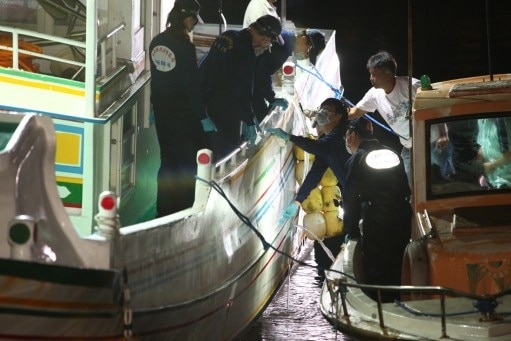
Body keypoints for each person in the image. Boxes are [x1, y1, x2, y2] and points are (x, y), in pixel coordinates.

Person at [149, 0, 217, 217]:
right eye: (194, 19)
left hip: (162, 112)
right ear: (187, 17)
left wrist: (153, 106)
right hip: (182, 115)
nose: (194, 24)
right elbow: (192, 87)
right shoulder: (185, 47)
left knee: (167, 160)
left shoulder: (156, 41)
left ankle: (163, 210)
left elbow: (157, 79)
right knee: (187, 163)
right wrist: (203, 116)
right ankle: (184, 210)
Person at [343, 116, 412, 303]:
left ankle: (383, 304)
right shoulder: (391, 152)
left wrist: (352, 230)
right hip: (403, 214)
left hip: (378, 219)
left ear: (354, 135)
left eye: (347, 135)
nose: (346, 140)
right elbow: (405, 187)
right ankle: (403, 300)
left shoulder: (357, 158)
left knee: (378, 265)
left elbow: (350, 198)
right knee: (400, 260)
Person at [199, 14, 283, 161]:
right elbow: (242, 91)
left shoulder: (227, 35)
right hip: (224, 114)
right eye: (269, 43)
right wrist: (249, 120)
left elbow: (204, 67)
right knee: (223, 159)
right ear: (265, 39)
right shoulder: (245, 52)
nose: (267, 47)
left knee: (203, 157)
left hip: (204, 106)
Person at [266, 97, 351, 221]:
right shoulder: (327, 143)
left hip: (368, 190)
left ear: (337, 116)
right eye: (321, 108)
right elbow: (314, 175)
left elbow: (319, 147)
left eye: (326, 109)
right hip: (356, 193)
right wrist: (297, 202)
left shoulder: (343, 134)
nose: (321, 112)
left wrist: (289, 137)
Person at [347, 51, 420, 187]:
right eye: (370, 74)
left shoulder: (412, 86)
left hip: (432, 142)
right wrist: (338, 111)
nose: (371, 78)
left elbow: (435, 109)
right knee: (413, 187)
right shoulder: (374, 95)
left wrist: (442, 134)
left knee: (440, 176)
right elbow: (354, 112)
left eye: (374, 75)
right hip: (408, 146)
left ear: (388, 73)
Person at [252, 29, 295, 122]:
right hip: (244, 77)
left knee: (261, 114)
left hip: (251, 75)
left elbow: (263, 68)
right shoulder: (285, 46)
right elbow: (262, 73)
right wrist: (272, 98)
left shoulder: (287, 37)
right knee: (260, 116)